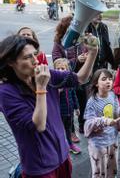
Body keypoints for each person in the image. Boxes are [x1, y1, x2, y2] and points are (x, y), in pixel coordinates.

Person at [0, 34, 98, 177]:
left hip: (63, 158)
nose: (35, 61)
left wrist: (93, 53)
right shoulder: (6, 92)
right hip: (40, 168)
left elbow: (80, 79)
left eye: (35, 54)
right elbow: (39, 125)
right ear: (10, 62)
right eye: (27, 57)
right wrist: (41, 88)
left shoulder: (45, 75)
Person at [84, 69, 120, 178]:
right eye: (104, 79)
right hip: (99, 144)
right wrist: (104, 121)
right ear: (96, 83)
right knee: (100, 171)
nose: (108, 82)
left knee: (112, 168)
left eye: (110, 79)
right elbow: (89, 123)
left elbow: (116, 110)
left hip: (113, 139)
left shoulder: (112, 95)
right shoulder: (92, 102)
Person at [52, 15, 88, 136]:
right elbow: (57, 61)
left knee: (82, 102)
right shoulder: (58, 44)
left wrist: (87, 57)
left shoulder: (80, 41)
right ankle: (71, 132)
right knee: (68, 106)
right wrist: (76, 59)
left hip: (81, 77)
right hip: (68, 79)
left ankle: (83, 126)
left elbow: (86, 53)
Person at [53, 58, 81, 154]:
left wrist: (77, 107)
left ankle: (70, 144)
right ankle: (60, 147)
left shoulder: (69, 82)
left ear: (67, 70)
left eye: (63, 68)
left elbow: (74, 95)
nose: (60, 71)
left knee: (68, 129)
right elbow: (51, 100)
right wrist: (57, 92)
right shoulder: (54, 84)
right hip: (59, 113)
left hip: (70, 111)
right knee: (59, 131)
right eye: (58, 69)